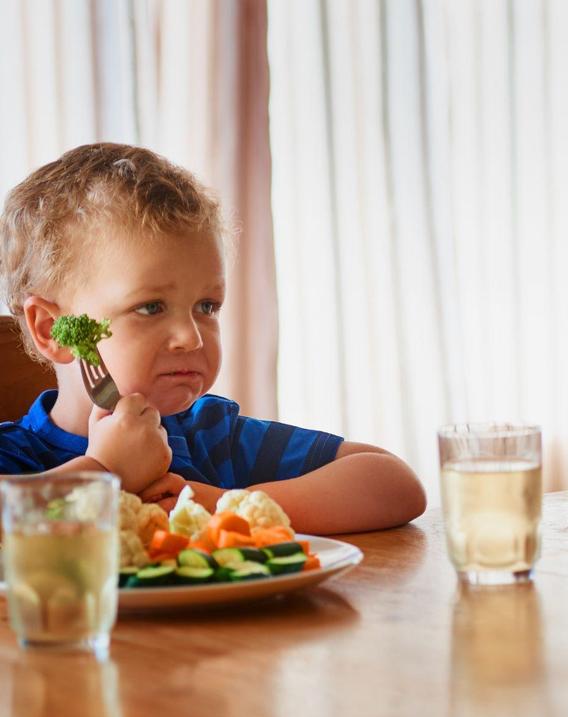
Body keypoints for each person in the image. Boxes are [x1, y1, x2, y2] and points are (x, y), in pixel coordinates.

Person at [0, 143, 426, 534]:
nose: (190, 337)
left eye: (207, 306)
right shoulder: (18, 457)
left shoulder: (211, 436)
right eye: (150, 307)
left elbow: (394, 483)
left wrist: (226, 506)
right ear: (51, 329)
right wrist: (103, 471)